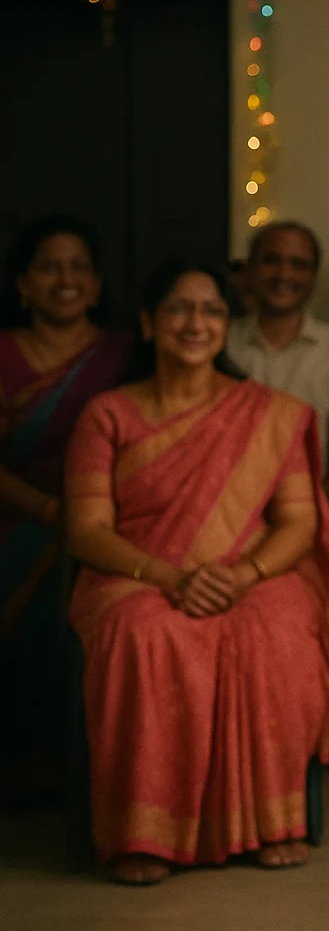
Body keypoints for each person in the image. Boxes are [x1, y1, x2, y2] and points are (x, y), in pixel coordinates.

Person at [64, 259, 329, 884]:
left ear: (226, 326)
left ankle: (271, 822)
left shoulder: (270, 413)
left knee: (276, 634)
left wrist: (244, 575)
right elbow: (88, 530)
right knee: (145, 634)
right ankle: (144, 833)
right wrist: (167, 576)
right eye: (179, 308)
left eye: (210, 310)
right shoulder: (107, 416)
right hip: (137, 573)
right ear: (149, 324)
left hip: (248, 572)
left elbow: (298, 522)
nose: (195, 322)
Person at [0, 217, 131, 796]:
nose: (66, 279)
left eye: (79, 267)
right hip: (26, 513)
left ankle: (82, 769)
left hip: (116, 515)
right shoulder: (4, 354)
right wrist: (57, 515)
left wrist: (88, 519)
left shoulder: (124, 354)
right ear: (23, 283)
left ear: (98, 286)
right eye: (50, 267)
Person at [226, 221, 329, 689]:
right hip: (221, 505)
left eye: (298, 264)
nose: (284, 274)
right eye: (272, 260)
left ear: (313, 277)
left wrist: (301, 512)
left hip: (314, 505)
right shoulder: (219, 339)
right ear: (249, 272)